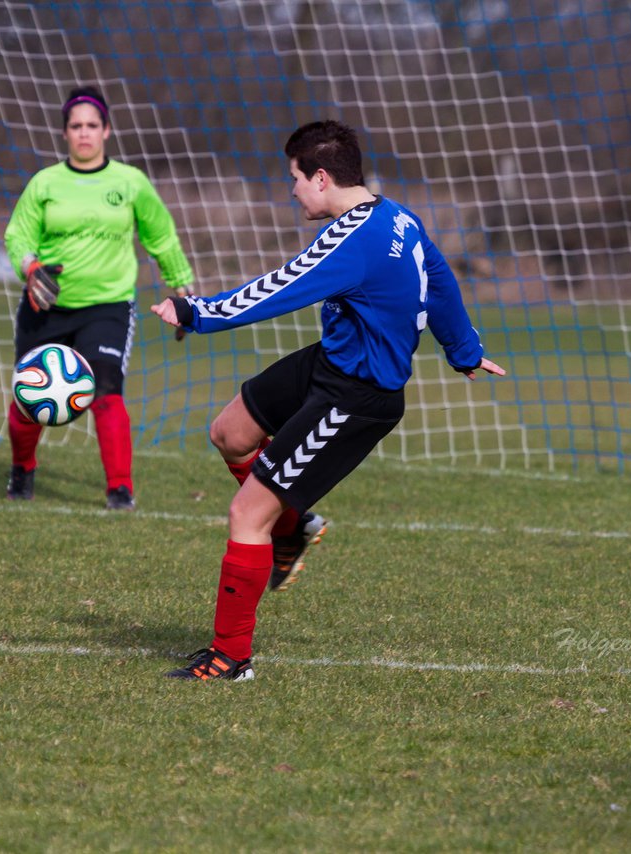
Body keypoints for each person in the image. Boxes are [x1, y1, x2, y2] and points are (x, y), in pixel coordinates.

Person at [150, 119, 506, 681]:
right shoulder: (398, 217)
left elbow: (281, 286)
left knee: (247, 514)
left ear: (320, 177)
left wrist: (196, 312)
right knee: (231, 433)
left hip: (357, 396)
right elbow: (438, 281)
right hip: (330, 362)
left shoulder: (353, 239)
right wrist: (462, 349)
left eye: (294, 178)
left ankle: (230, 657)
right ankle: (292, 530)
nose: (291, 190)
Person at [3, 85, 195, 509]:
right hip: (45, 306)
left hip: (108, 307)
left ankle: (120, 490)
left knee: (107, 390)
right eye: (76, 126)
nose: (84, 133)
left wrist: (181, 289)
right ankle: (23, 468)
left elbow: (160, 236)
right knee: (27, 400)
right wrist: (30, 267)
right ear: (65, 133)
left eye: (92, 125)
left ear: (106, 130)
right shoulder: (45, 183)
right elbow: (19, 235)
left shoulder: (130, 183)